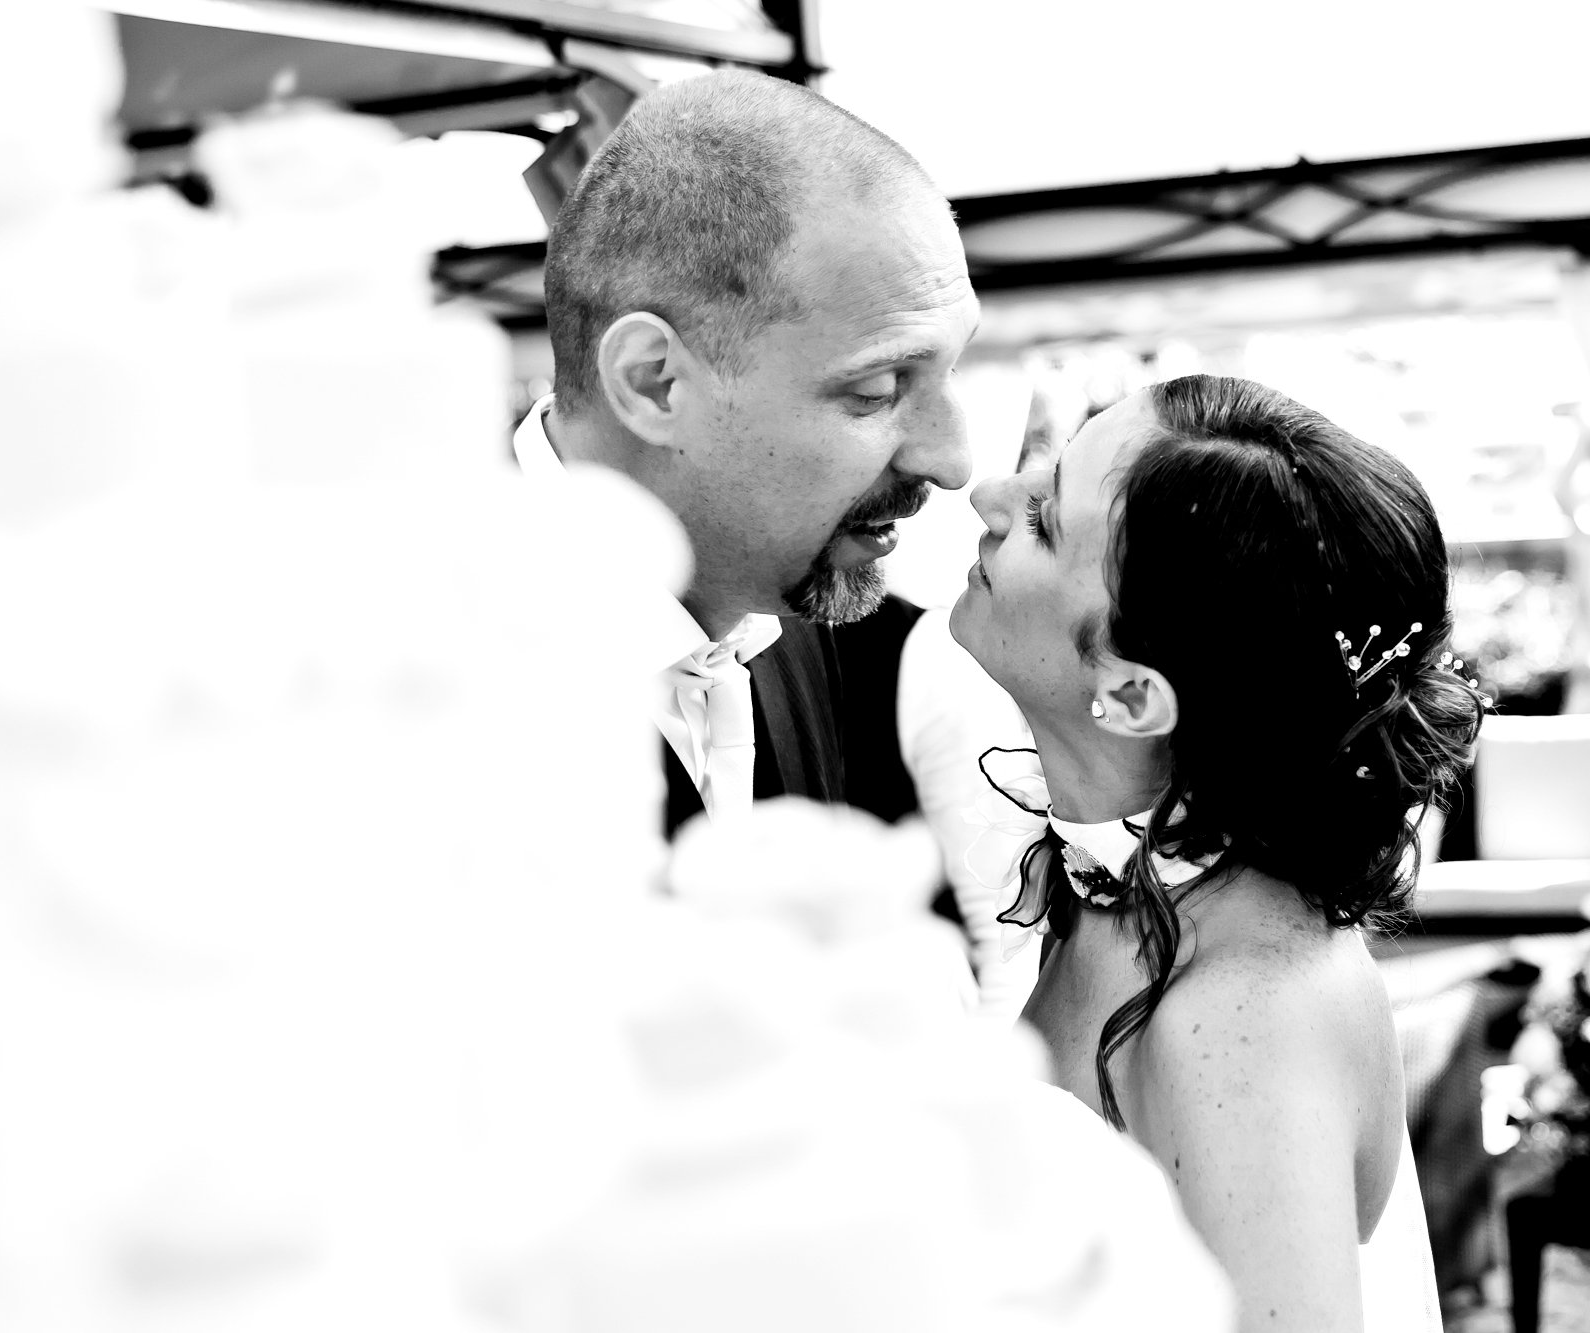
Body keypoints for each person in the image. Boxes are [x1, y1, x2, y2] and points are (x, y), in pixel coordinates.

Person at [950, 373, 1479, 1331]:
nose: (990, 495)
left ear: (1134, 696)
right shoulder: (1127, 885)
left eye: (1043, 521)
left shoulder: (1243, 1020)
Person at [516, 69, 980, 838]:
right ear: (655, 383)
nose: (954, 461)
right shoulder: (383, 682)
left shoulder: (815, 627)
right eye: (877, 387)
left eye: (950, 366)